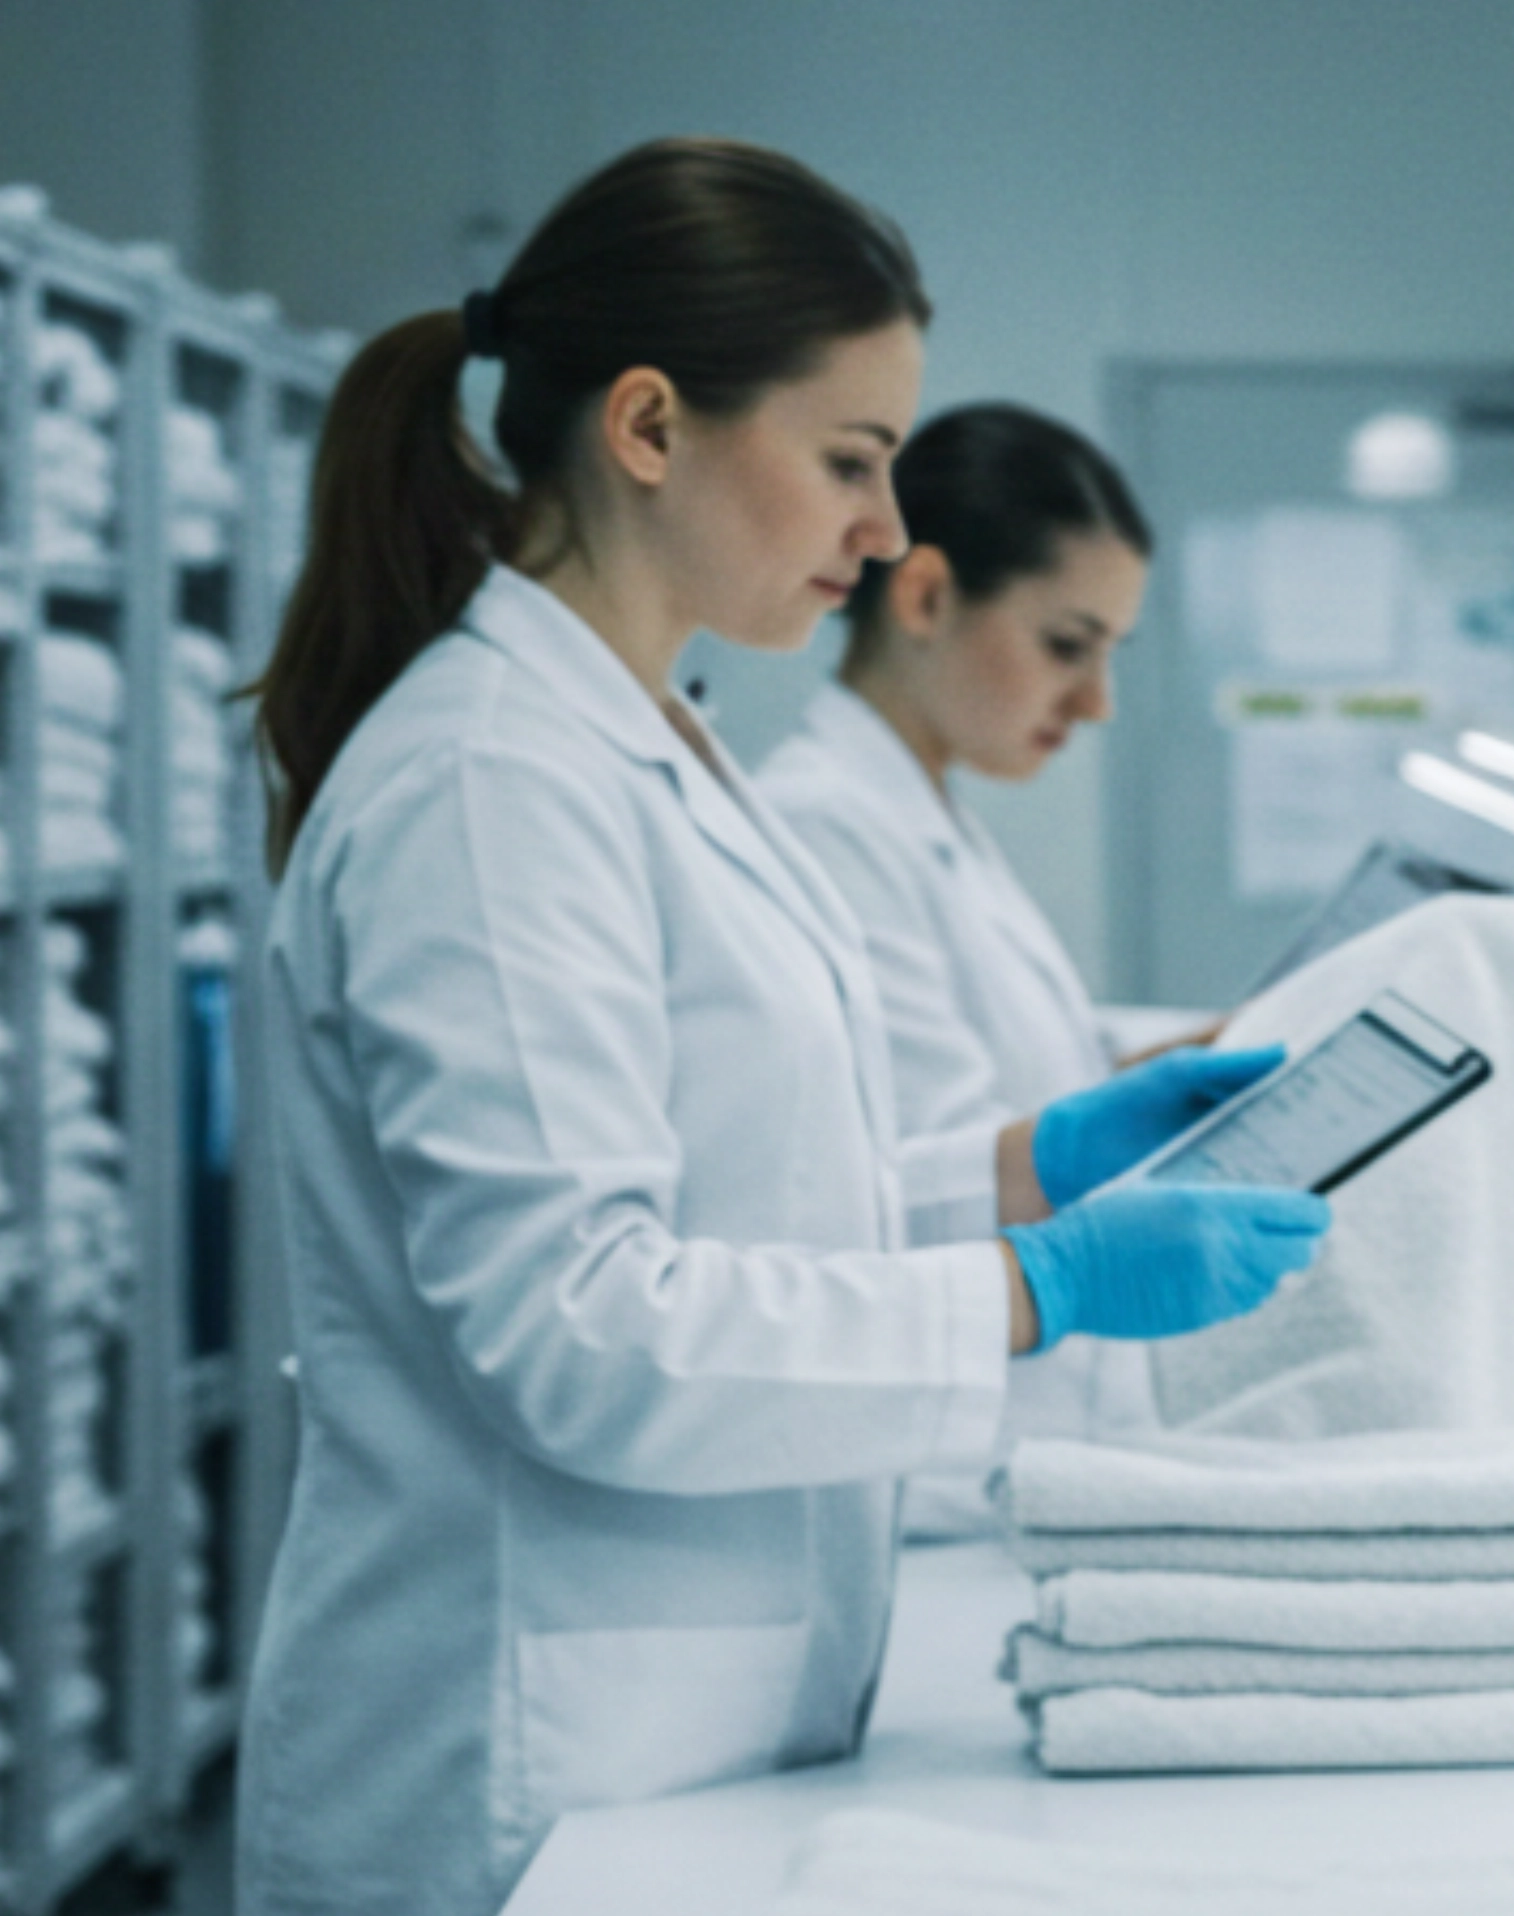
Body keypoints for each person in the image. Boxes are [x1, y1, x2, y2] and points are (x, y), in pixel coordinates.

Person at [238, 139, 1330, 1914]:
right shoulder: (489, 779)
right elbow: (584, 1325)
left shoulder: (652, 738)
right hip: (520, 1760)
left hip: (690, 1727)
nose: (888, 530)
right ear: (651, 428)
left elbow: (738, 1200)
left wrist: (1016, 1170)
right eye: (849, 461)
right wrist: (1037, 1286)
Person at [755, 402, 1160, 1529]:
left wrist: (1166, 1072)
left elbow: (1014, 1083)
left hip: (1013, 1451)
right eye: (1067, 647)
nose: (1094, 703)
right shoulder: (825, 827)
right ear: (925, 594)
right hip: (945, 1472)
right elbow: (918, 1180)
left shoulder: (926, 815)